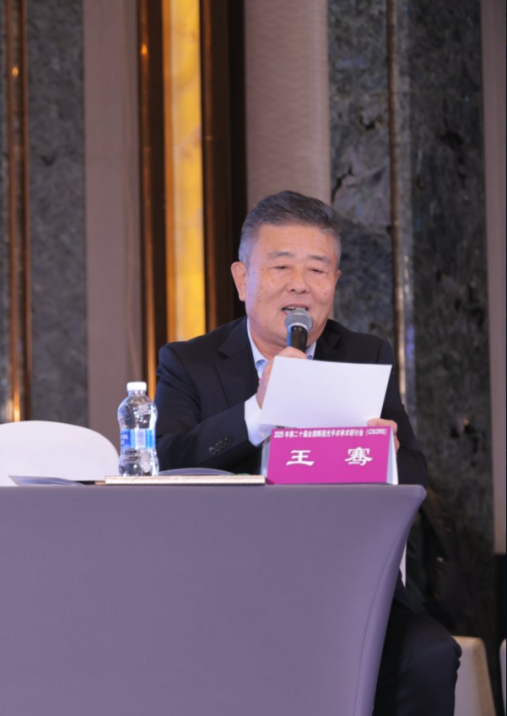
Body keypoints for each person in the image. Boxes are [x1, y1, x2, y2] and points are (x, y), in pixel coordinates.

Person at [155, 191, 460, 715]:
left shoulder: (364, 355)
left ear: (334, 283)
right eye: (281, 267)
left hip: (346, 587)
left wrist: (380, 453)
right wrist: (259, 411)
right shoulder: (189, 362)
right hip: (227, 590)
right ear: (242, 280)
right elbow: (170, 461)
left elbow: (413, 473)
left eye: (317, 270)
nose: (300, 284)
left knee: (430, 654)